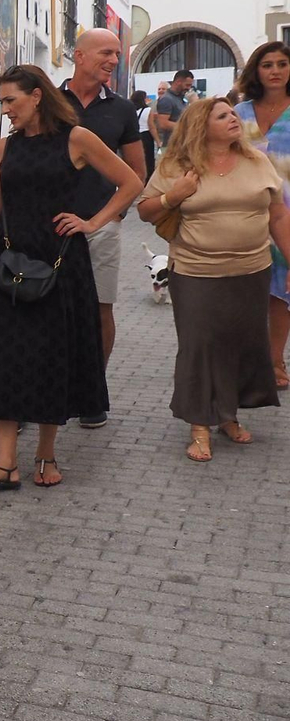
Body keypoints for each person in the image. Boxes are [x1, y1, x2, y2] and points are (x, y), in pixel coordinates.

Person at [0, 66, 141, 491]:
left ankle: (46, 453)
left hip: (59, 261)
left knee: (51, 353)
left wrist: (93, 222)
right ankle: (4, 464)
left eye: (10, 100)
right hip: (7, 259)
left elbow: (131, 182)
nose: (6, 110)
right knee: (4, 354)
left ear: (37, 96)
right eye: (1, 102)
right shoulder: (5, 148)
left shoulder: (77, 139)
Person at [138, 98, 290, 460]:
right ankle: (199, 426)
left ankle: (228, 416)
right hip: (195, 271)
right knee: (199, 346)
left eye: (233, 114)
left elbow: (278, 216)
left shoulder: (257, 160)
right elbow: (145, 209)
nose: (234, 119)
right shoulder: (178, 164)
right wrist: (174, 196)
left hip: (251, 271)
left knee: (239, 343)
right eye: (223, 116)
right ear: (201, 125)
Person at [59, 29, 145, 428]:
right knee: (42, 308)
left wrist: (113, 216)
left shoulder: (123, 110)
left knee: (99, 309)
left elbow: (137, 173)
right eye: (105, 52)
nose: (113, 59)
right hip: (51, 224)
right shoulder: (49, 101)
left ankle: (92, 392)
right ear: (78, 55)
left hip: (100, 225)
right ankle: (37, 389)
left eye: (117, 53)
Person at [234, 40, 290, 386]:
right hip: (247, 211)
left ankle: (276, 363)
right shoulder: (239, 113)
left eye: (282, 64)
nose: (275, 71)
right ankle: (245, 362)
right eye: (267, 64)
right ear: (256, 70)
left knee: (280, 293)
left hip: (288, 213)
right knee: (245, 291)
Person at [154, 69, 194, 146]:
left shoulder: (180, 98)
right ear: (178, 82)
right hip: (172, 146)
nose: (189, 88)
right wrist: (187, 127)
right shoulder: (166, 99)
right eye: (187, 85)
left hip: (181, 143)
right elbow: (163, 124)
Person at [132, 90, 156, 181]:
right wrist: (157, 140)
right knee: (149, 159)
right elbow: (151, 126)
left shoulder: (132, 110)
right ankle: (148, 179)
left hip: (136, 135)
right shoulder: (148, 110)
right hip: (146, 135)